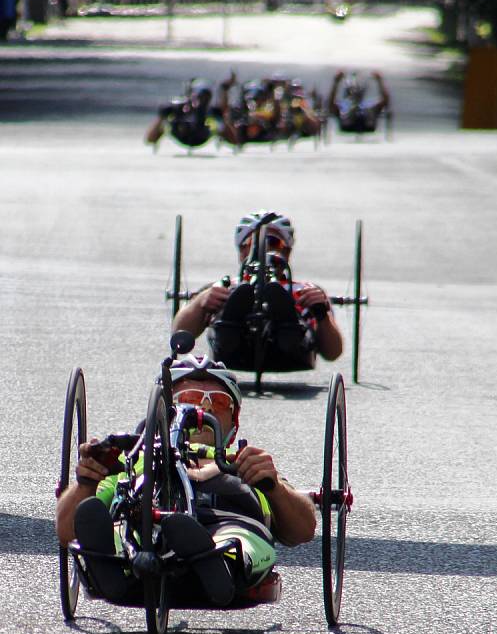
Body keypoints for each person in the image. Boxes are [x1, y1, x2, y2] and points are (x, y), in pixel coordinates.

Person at [56, 355, 316, 607]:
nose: (205, 407)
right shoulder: (134, 460)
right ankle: (111, 569)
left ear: (233, 422)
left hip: (230, 525)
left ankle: (216, 565)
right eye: (190, 399)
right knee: (116, 532)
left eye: (219, 402)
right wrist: (86, 483)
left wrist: (276, 488)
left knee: (238, 541)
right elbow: (67, 530)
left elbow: (303, 530)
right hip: (143, 530)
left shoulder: (249, 462)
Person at [172, 211, 343, 370]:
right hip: (233, 348)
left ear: (287, 250)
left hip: (291, 350)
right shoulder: (223, 286)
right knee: (232, 299)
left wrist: (321, 314)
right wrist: (200, 302)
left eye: (273, 242)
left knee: (291, 329)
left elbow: (333, 353)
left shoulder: (305, 290)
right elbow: (179, 333)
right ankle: (231, 321)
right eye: (251, 243)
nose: (265, 248)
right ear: (241, 250)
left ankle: (286, 319)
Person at [145, 79, 217, 148]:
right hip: (179, 133)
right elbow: (150, 139)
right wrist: (162, 116)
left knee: (218, 122)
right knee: (166, 120)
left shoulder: (212, 111)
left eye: (206, 97)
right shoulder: (177, 108)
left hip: (203, 137)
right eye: (201, 96)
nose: (203, 100)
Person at [328, 69, 391, 134]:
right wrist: (336, 82)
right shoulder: (343, 104)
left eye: (358, 90)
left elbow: (385, 101)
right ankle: (353, 113)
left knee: (370, 108)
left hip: (367, 125)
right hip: (348, 125)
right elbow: (330, 103)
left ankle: (360, 115)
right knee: (344, 109)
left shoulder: (369, 104)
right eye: (353, 89)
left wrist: (380, 81)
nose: (356, 92)